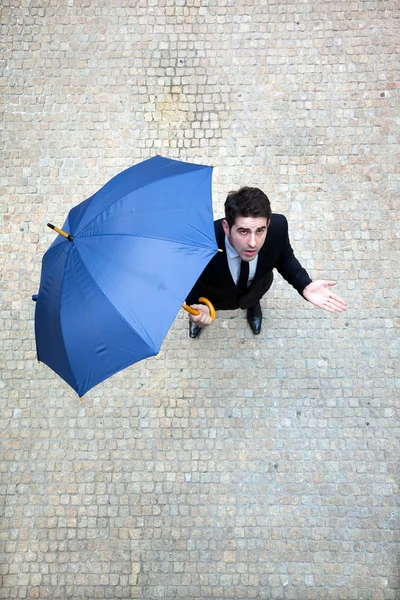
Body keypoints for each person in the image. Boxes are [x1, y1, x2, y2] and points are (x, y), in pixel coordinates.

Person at [186, 186, 347, 338]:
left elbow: (284, 257)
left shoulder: (278, 228)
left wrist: (304, 284)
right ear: (227, 228)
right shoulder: (201, 241)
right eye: (243, 231)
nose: (253, 243)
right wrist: (196, 310)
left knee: (252, 298)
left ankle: (253, 304)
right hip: (215, 298)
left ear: (268, 225)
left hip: (257, 287)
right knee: (201, 314)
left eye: (260, 231)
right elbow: (187, 277)